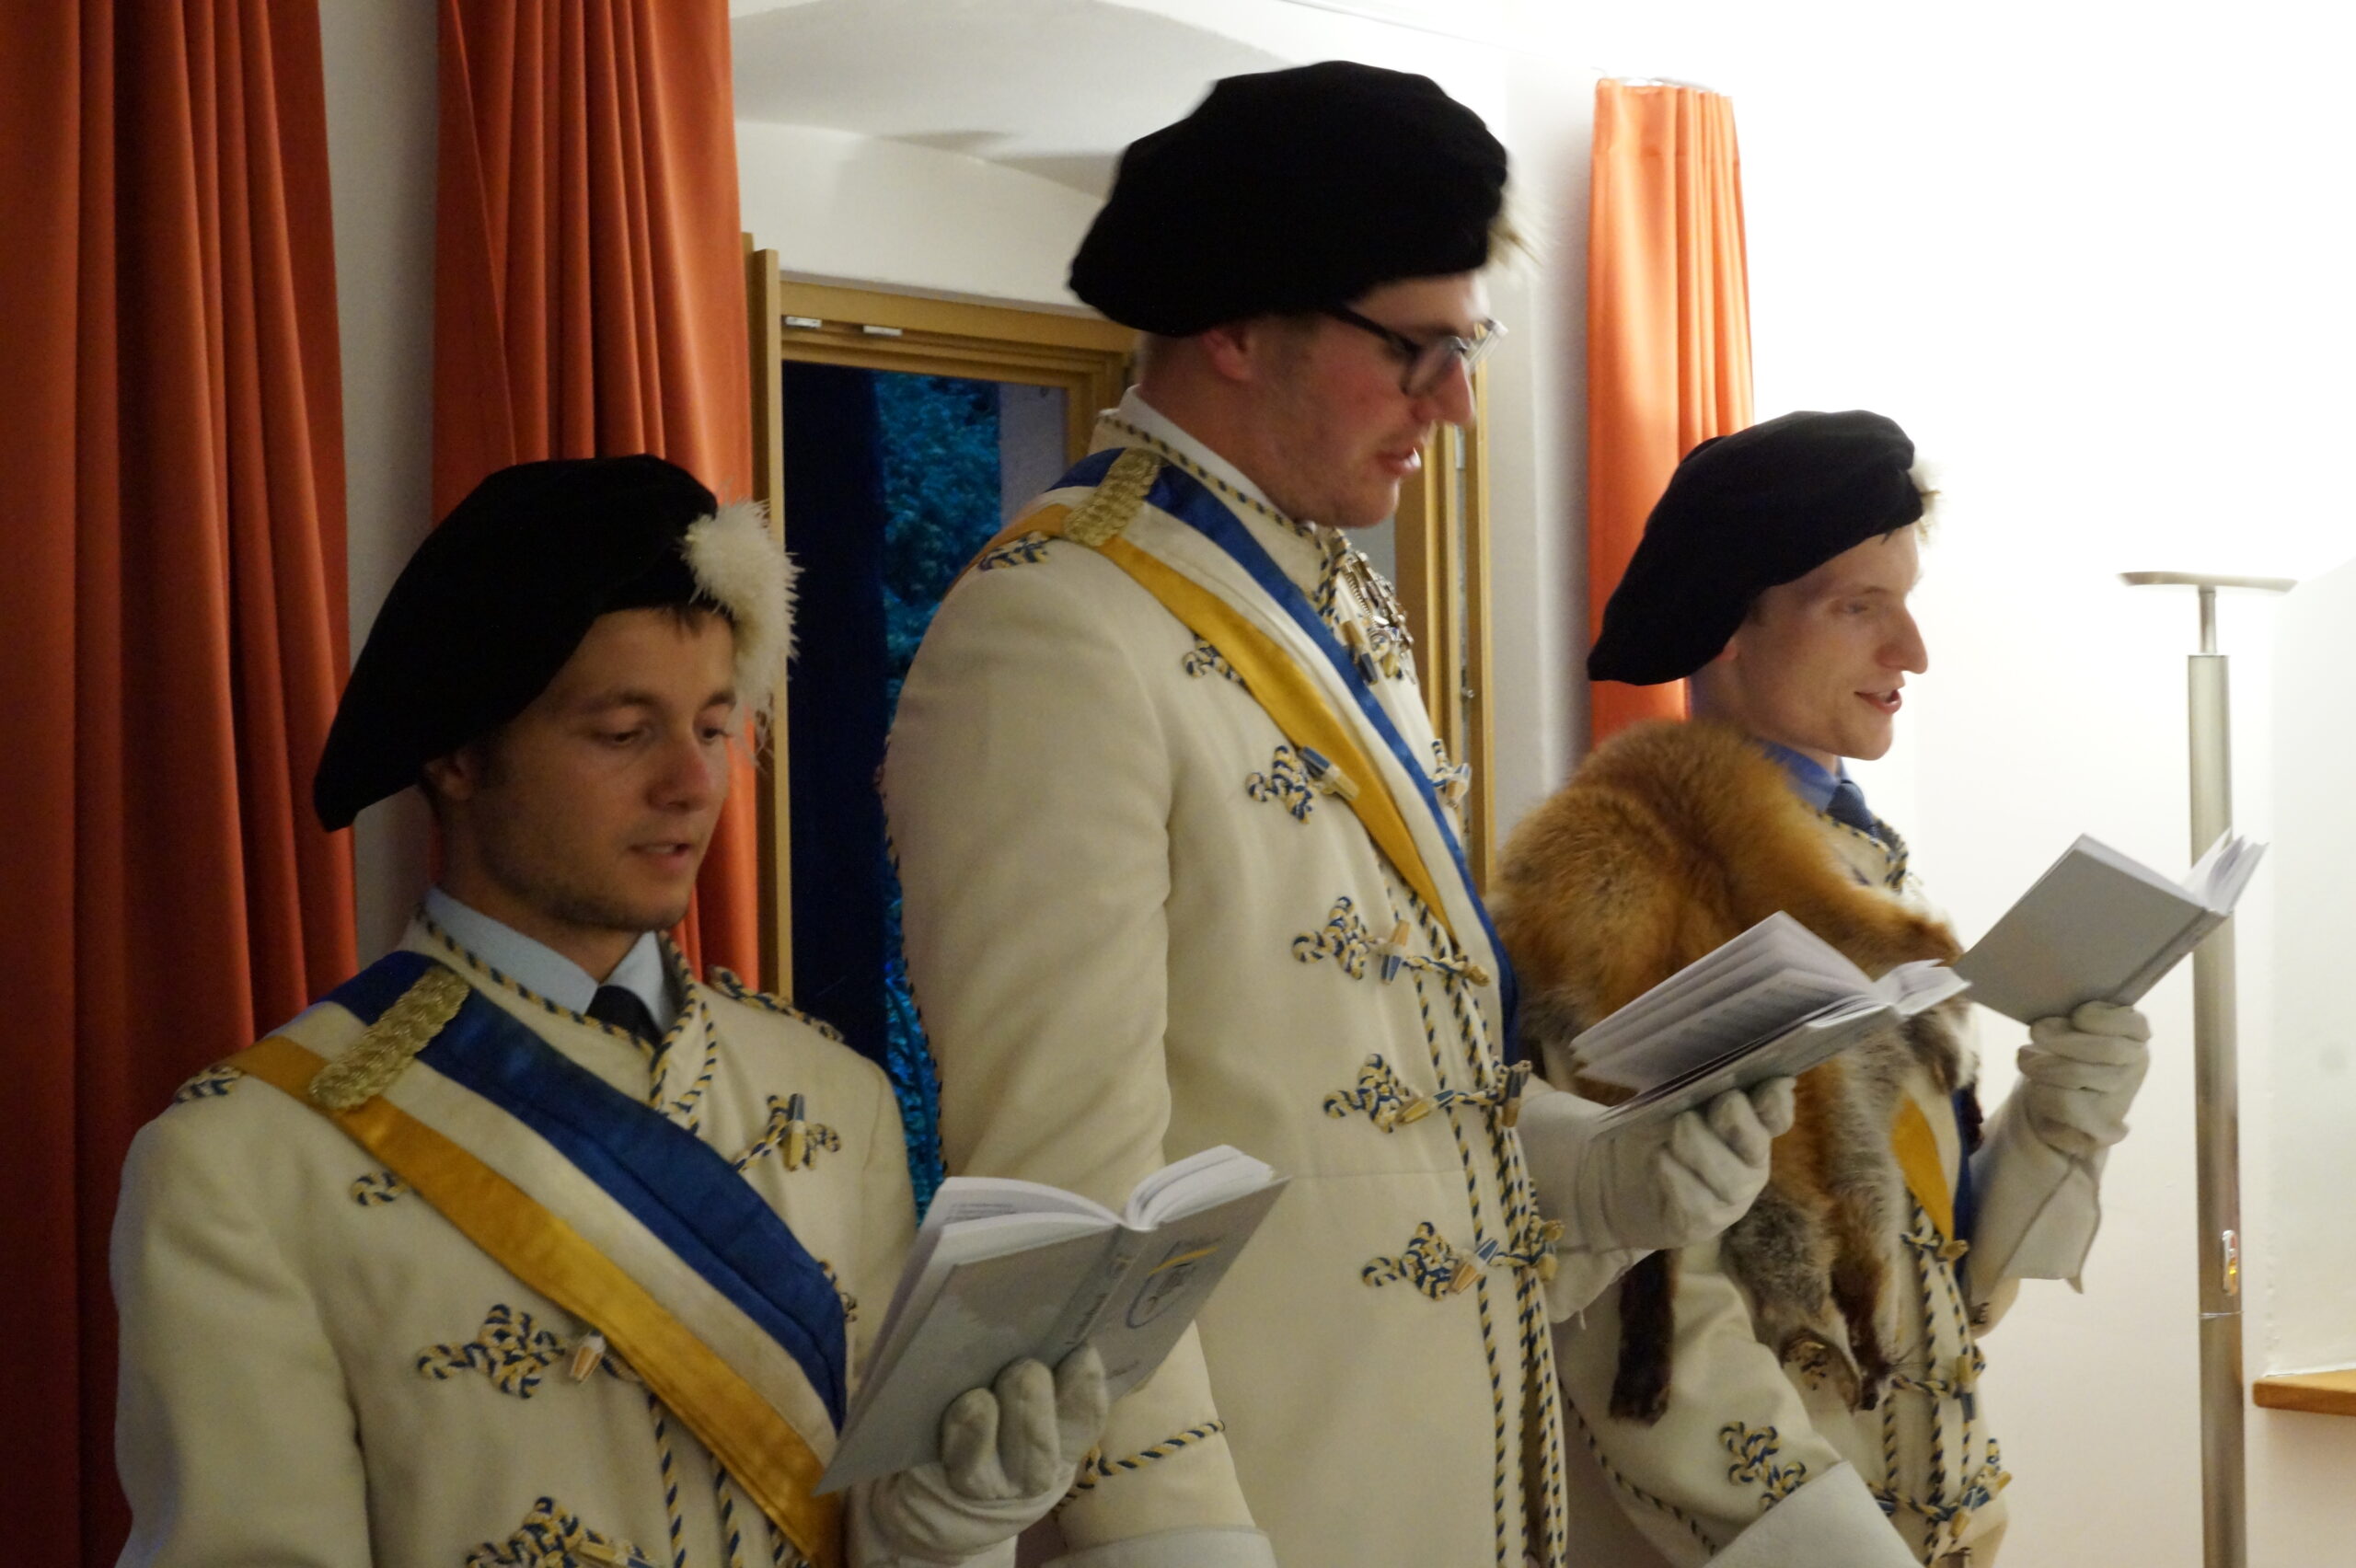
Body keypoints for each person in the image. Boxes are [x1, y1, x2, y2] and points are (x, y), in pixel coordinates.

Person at [883, 63, 1790, 1568]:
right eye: (1416, 348)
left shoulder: (1332, 604)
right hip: (1268, 1513)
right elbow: (1071, 1192)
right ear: (1238, 328)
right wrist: (1169, 1536)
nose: (1457, 400)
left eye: (1467, 346)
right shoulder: (1055, 627)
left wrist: (1608, 1173)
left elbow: (1385, 1097)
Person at [111, 455, 1106, 1568]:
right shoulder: (242, 1164)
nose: (692, 783)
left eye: (712, 728)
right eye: (624, 732)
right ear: (458, 754)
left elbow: (864, 1529)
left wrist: (943, 1520)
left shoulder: (839, 1100)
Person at [1494, 411, 2154, 1567]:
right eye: (1858, 607)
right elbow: (1642, 1326)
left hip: (1927, 1524)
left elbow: (1936, 1274)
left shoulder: (1857, 867)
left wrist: (2061, 1111)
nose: (1912, 651)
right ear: (1726, 623)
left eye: (1907, 603)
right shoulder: (1623, 875)